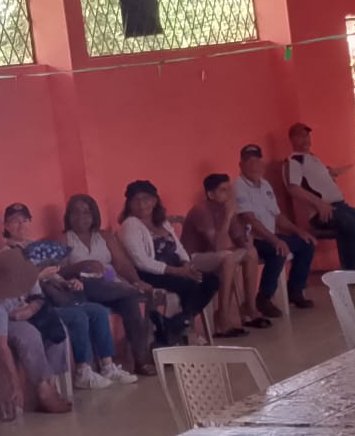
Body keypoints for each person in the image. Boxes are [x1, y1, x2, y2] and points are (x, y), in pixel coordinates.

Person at [0, 203, 135, 387]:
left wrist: (67, 282)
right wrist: (39, 276)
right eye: (15, 221)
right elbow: (14, 289)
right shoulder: (5, 255)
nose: (21, 225)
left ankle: (107, 366)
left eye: (25, 220)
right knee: (78, 316)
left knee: (98, 311)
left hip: (55, 297)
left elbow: (53, 274)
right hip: (33, 307)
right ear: (6, 225)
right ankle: (82, 371)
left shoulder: (36, 248)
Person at [59, 193, 156, 376]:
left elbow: (122, 264)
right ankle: (131, 291)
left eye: (86, 212)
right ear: (68, 216)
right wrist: (81, 266)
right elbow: (57, 273)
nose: (81, 217)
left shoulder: (105, 236)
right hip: (83, 286)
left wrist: (136, 280)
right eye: (75, 213)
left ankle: (140, 360)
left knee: (129, 301)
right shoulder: (64, 240)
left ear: (94, 215)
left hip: (111, 283)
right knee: (128, 293)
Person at [285, 124, 355, 274]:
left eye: (307, 136)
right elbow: (293, 188)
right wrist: (319, 204)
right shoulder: (295, 161)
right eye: (301, 136)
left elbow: (317, 182)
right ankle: (352, 273)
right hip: (323, 211)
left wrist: (331, 174)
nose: (306, 139)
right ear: (292, 139)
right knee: (353, 227)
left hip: (340, 207)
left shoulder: (313, 158)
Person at [118, 180, 221, 332]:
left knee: (211, 280)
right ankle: (180, 327)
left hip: (176, 269)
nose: (141, 204)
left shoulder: (162, 222)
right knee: (190, 285)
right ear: (129, 204)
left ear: (154, 201)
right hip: (150, 274)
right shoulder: (130, 224)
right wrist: (177, 271)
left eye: (146, 199)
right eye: (135, 200)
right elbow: (142, 262)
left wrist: (186, 264)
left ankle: (175, 324)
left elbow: (178, 247)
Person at [0, 245, 73, 414]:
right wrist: (15, 383)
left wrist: (30, 310)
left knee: (56, 330)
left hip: (23, 314)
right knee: (29, 335)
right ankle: (44, 390)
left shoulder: (26, 275)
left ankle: (50, 384)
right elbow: (0, 345)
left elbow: (39, 298)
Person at [180, 173, 268, 335]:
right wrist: (227, 217)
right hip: (193, 257)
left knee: (251, 253)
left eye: (230, 189)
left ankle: (250, 307)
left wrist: (246, 236)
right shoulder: (201, 210)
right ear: (210, 194)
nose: (229, 194)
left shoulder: (227, 208)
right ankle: (222, 316)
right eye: (223, 190)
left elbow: (240, 240)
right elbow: (218, 246)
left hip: (215, 255)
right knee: (228, 257)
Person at [234, 142, 316, 314]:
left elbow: (277, 216)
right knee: (277, 250)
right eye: (248, 161)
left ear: (261, 163)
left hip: (269, 235)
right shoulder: (238, 186)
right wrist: (275, 240)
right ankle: (264, 298)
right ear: (241, 165)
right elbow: (249, 219)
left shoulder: (265, 185)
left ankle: (295, 290)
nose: (253, 165)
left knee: (306, 243)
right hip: (251, 240)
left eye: (256, 160)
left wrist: (298, 231)